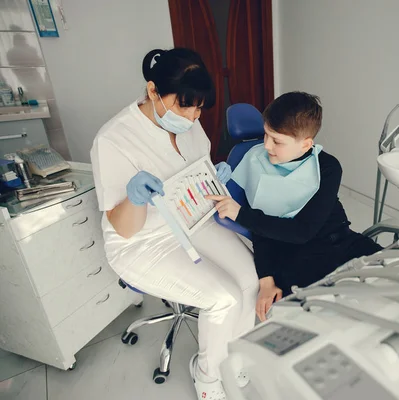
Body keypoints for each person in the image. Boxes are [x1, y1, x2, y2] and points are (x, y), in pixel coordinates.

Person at [90, 48, 258, 400]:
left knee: (250, 279)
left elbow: (198, 175)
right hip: (142, 243)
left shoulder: (192, 126)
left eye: (199, 107)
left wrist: (216, 178)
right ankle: (208, 375)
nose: (193, 115)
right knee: (223, 298)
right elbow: (124, 229)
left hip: (193, 221)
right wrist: (134, 199)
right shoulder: (113, 140)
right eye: (185, 106)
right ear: (153, 91)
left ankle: (232, 355)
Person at [207, 91, 383, 321]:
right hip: (295, 255)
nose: (267, 145)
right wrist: (266, 281)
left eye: (277, 141)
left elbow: (303, 228)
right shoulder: (255, 161)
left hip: (341, 240)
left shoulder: (327, 167)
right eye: (266, 134)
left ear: (305, 144)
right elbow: (264, 230)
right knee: (345, 317)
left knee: (392, 279)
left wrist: (243, 215)